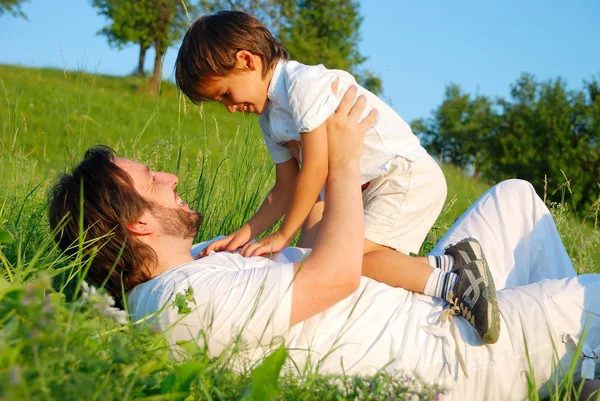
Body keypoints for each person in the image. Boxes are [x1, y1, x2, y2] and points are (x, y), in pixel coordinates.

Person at [48, 87, 599, 401]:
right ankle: (544, 356)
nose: (168, 177)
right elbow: (333, 277)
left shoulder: (202, 259)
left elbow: (308, 255)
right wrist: (345, 159)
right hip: (443, 355)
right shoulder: (177, 305)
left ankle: (564, 371)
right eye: (151, 183)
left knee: (517, 197)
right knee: (594, 297)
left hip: (433, 306)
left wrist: (324, 184)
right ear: (137, 226)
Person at [173, 10, 502, 343]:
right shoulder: (270, 119)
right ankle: (439, 274)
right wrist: (245, 232)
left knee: (343, 263)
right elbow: (284, 187)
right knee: (315, 264)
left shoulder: (303, 85)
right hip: (361, 188)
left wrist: (283, 233)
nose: (230, 107)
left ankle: (452, 276)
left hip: (402, 178)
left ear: (248, 60)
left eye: (226, 94)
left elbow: (317, 168)